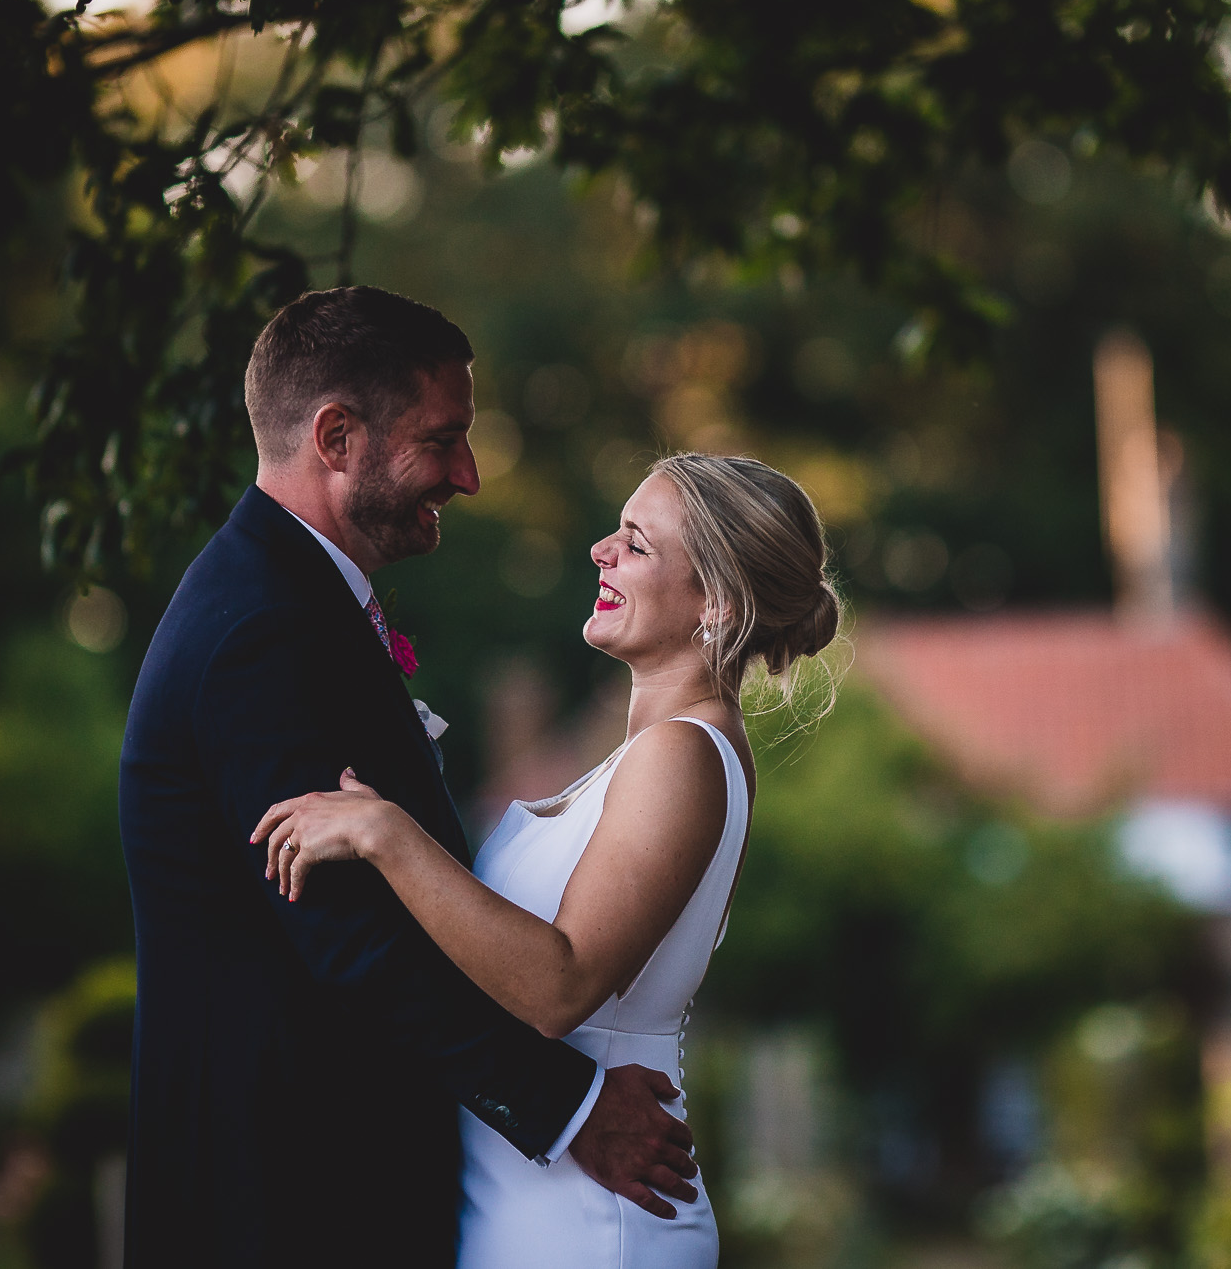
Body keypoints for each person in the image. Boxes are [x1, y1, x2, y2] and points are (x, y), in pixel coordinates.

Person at [119, 287, 700, 1268]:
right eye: (444, 439)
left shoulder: (289, 601)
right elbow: (349, 933)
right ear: (336, 435)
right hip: (291, 1200)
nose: (467, 475)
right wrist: (571, 1105)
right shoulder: (261, 629)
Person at [252, 447, 837, 1268]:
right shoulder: (646, 756)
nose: (602, 548)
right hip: (532, 1199)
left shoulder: (682, 753)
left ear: (717, 600)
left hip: (594, 1222)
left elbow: (558, 985)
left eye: (637, 543)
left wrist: (386, 833)